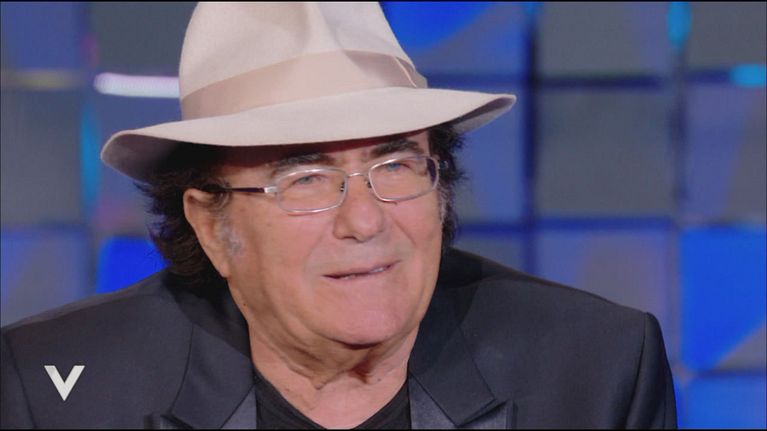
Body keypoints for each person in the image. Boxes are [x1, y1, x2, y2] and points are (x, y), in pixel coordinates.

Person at [0, 3, 676, 429]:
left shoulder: (596, 369)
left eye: (396, 166)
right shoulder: (55, 388)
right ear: (212, 225)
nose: (365, 221)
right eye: (305, 179)